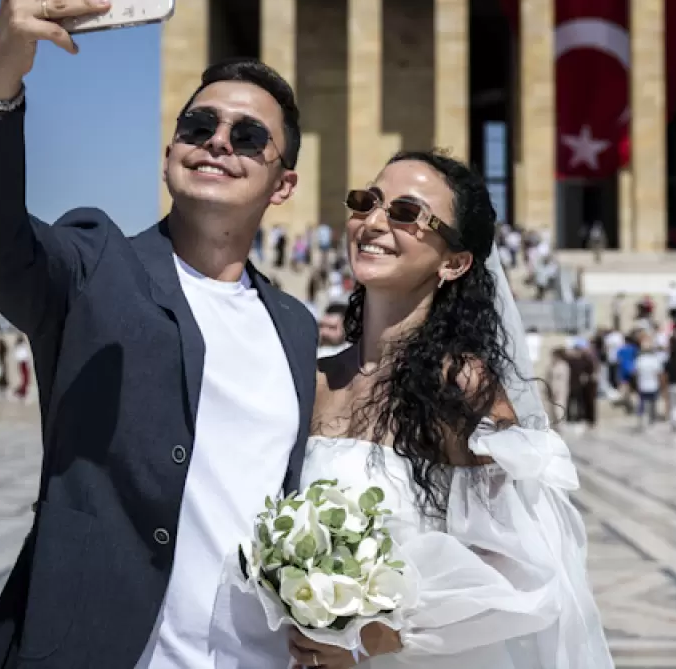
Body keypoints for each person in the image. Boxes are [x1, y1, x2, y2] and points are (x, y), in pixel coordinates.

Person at [0, 0, 318, 668]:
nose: (217, 142)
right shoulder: (97, 266)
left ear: (283, 182)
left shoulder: (294, 325)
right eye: (200, 124)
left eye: (247, 137)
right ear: (170, 150)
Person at [228, 150, 612, 668]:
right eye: (367, 202)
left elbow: (521, 569)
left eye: (406, 213)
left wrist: (375, 636)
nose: (374, 222)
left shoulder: (460, 385)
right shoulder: (314, 378)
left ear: (454, 262)